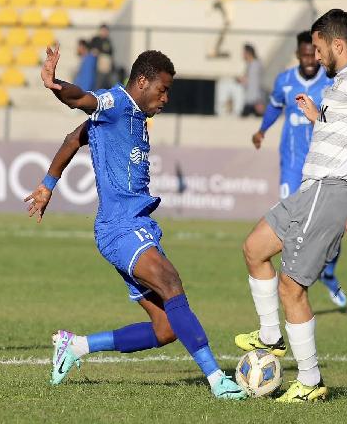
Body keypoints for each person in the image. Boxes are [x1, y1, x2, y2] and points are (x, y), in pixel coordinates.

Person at [25, 44, 246, 400]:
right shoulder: (115, 103)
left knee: (165, 329)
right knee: (171, 282)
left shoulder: (134, 117)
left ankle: (76, 346)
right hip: (120, 228)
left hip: (136, 225)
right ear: (142, 82)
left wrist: (48, 185)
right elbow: (80, 98)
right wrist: (56, 84)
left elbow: (73, 138)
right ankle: (218, 380)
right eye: (162, 89)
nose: (166, 98)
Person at [236, 9, 347, 402]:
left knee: (291, 286)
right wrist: (317, 117)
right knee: (254, 248)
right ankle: (270, 337)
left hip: (329, 190)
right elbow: (345, 129)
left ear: (338, 44)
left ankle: (309, 380)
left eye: (320, 48)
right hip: (309, 189)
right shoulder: (341, 81)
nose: (316, 55)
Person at [251, 31, 347, 307]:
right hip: (292, 164)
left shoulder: (330, 81)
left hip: (322, 165)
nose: (309, 60)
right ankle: (291, 283)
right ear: (298, 55)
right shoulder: (284, 80)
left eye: (313, 55)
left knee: (331, 225)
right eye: (304, 55)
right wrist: (262, 130)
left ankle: (328, 273)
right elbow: (274, 107)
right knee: (288, 221)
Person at [239, 43, 265, 117]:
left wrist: (258, 101)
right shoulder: (250, 65)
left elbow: (256, 84)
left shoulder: (255, 65)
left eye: (244, 53)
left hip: (255, 100)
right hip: (250, 99)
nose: (242, 55)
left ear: (248, 53)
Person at [90, 23, 114, 89]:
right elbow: (91, 50)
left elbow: (110, 52)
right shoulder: (96, 39)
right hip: (97, 66)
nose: (104, 32)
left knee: (107, 83)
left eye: (106, 31)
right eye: (103, 30)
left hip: (106, 67)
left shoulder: (108, 41)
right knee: (98, 84)